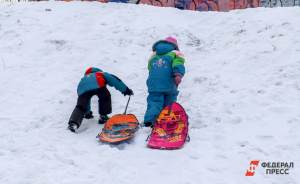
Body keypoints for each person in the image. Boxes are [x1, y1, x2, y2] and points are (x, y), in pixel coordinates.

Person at [68, 67, 133, 132]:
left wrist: (87, 113)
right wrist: (126, 90)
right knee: (105, 97)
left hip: (82, 88)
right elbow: (115, 80)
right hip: (98, 84)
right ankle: (103, 116)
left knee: (81, 105)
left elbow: (85, 101)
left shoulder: (83, 79)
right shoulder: (100, 73)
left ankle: (73, 123)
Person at [143, 36, 185, 127]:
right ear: (175, 46)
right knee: (169, 100)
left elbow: (150, 68)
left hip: (153, 82)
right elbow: (178, 64)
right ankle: (166, 119)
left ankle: (150, 120)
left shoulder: (154, 55)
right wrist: (178, 74)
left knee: (154, 101)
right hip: (168, 82)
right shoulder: (175, 53)